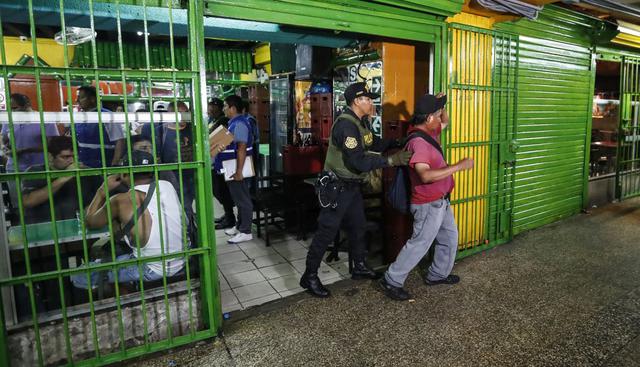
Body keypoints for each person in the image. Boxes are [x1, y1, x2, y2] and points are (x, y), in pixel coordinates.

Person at [299, 82, 412, 298]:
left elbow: (373, 142)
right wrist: (391, 160)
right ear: (355, 102)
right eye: (367, 99)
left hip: (351, 187)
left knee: (358, 227)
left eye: (370, 99)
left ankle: (359, 266)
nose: (371, 103)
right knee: (326, 232)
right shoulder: (346, 126)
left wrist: (397, 141)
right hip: (337, 188)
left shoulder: (361, 123)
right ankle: (310, 276)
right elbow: (359, 161)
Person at [379, 93, 474, 301]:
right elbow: (425, 175)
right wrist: (458, 166)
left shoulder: (430, 131)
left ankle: (437, 275)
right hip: (428, 203)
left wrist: (443, 105)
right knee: (419, 243)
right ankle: (391, 279)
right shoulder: (419, 143)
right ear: (429, 118)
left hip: (441, 200)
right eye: (438, 114)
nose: (442, 119)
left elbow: (446, 121)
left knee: (449, 239)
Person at [70, 150, 186, 289]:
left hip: (152, 268)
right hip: (181, 260)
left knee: (80, 275)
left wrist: (102, 190)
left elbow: (90, 222)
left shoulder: (120, 200)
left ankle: (119, 300)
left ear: (124, 172)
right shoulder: (167, 186)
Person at [21, 136, 100, 224]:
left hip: (78, 227)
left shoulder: (87, 173)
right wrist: (64, 177)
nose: (71, 161)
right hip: (43, 227)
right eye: (65, 157)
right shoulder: (36, 172)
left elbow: (105, 196)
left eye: (74, 156)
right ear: (50, 157)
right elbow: (27, 201)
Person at [141, 101, 196, 220]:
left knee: (190, 204)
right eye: (179, 112)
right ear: (170, 114)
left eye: (185, 112)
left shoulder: (194, 129)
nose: (183, 115)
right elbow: (155, 155)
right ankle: (190, 233)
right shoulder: (160, 132)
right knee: (184, 206)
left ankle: (190, 227)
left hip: (194, 174)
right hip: (174, 177)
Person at [219, 95, 254, 244]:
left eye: (225, 106)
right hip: (232, 167)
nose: (224, 109)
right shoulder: (234, 123)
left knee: (243, 199)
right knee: (238, 198)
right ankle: (239, 226)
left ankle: (246, 231)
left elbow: (241, 148)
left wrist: (239, 171)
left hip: (237, 168)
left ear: (233, 108)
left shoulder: (239, 124)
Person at [1, 93, 59, 172]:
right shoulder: (9, 120)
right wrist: (4, 148)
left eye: (15, 108)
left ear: (27, 105)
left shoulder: (44, 119)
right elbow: (3, 139)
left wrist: (25, 150)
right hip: (14, 167)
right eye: (10, 109)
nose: (12, 112)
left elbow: (52, 144)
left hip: (38, 167)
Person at [75, 86, 126, 168]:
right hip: (82, 165)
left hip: (104, 164)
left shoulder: (107, 116)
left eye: (81, 98)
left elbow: (119, 141)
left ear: (92, 99)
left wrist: (115, 164)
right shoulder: (78, 117)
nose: (77, 101)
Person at [208, 98, 236, 230]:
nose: (209, 109)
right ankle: (228, 214)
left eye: (212, 107)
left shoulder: (223, 121)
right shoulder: (212, 121)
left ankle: (230, 218)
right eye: (209, 107)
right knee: (218, 190)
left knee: (222, 190)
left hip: (221, 162)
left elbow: (219, 139)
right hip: (215, 161)